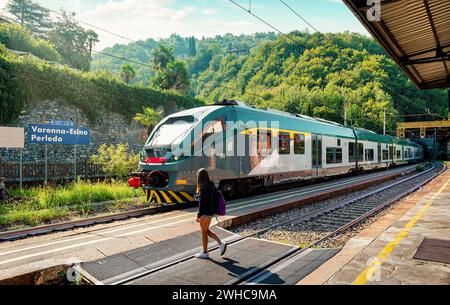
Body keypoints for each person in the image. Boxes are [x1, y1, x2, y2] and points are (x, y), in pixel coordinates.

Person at [195, 168, 227, 259]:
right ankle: (221, 244)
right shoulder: (212, 185)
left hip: (205, 214)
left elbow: (202, 204)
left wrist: (199, 215)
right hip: (211, 213)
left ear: (200, 177)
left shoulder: (203, 187)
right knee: (206, 231)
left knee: (203, 232)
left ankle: (205, 252)